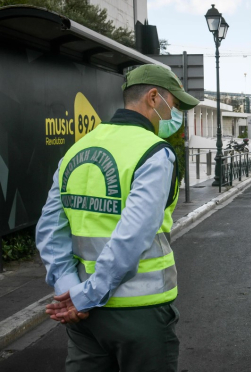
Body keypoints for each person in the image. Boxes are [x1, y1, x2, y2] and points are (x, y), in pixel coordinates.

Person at [36, 64, 200, 372]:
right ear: (153, 98)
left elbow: (50, 229)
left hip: (86, 320)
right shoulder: (154, 153)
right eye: (174, 105)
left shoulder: (78, 148)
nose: (175, 115)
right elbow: (132, 237)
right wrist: (85, 296)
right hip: (139, 312)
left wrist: (69, 288)